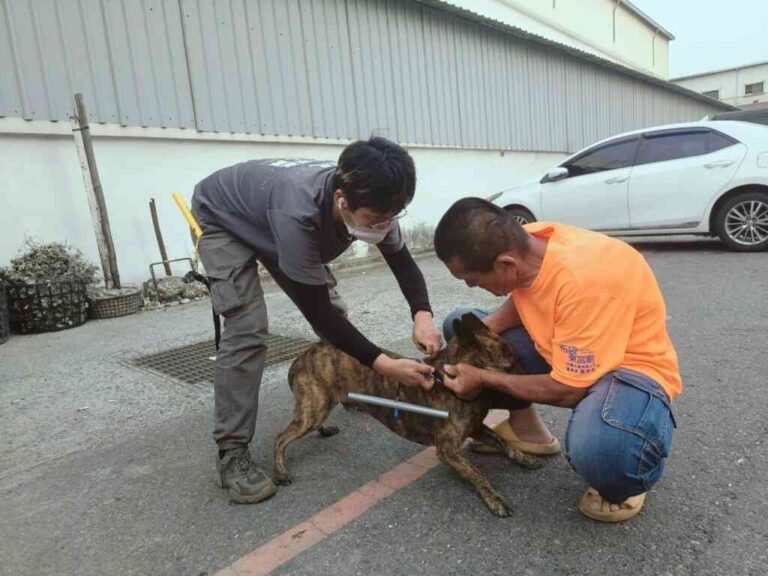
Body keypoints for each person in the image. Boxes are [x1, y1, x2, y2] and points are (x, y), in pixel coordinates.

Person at [192, 138, 442, 504]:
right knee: (248, 329)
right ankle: (232, 453)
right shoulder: (299, 215)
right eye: (375, 219)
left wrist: (422, 314)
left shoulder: (377, 196)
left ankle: (340, 386)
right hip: (224, 218)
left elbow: (402, 262)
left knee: (336, 322)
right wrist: (385, 364)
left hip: (269, 213)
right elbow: (316, 309)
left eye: (392, 216)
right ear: (342, 200)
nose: (384, 226)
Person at [434, 197, 681, 522]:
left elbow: (568, 390)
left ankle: (629, 473)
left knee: (600, 449)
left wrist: (481, 378)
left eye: (473, 279)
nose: (470, 285)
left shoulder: (585, 279)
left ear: (506, 264)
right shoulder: (531, 242)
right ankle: (529, 432)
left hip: (629, 370)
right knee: (461, 326)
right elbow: (527, 292)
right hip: (573, 345)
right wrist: (478, 333)